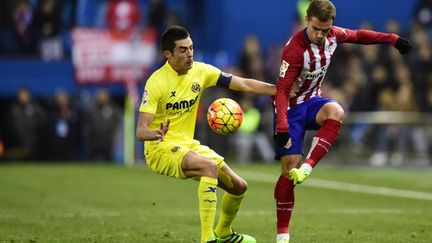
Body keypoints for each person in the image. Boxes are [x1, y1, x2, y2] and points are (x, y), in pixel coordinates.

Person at [272, 1, 412, 242]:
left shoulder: (333, 36)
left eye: (325, 30)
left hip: (312, 102)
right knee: (288, 170)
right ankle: (282, 233)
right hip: (291, 110)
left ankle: (310, 166)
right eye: (316, 28)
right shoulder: (295, 50)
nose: (320, 35)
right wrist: (282, 126)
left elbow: (359, 35)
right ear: (307, 20)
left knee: (336, 110)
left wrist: (392, 39)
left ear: (331, 25)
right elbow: (282, 90)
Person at [136, 25, 275, 243]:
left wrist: (278, 90)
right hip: (159, 149)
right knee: (208, 167)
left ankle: (224, 233)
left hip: (188, 145)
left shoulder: (201, 71)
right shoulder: (156, 82)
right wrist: (154, 133)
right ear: (167, 54)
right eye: (182, 50)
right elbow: (141, 131)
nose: (190, 54)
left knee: (238, 186)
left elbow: (244, 83)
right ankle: (207, 239)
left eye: (191, 48)